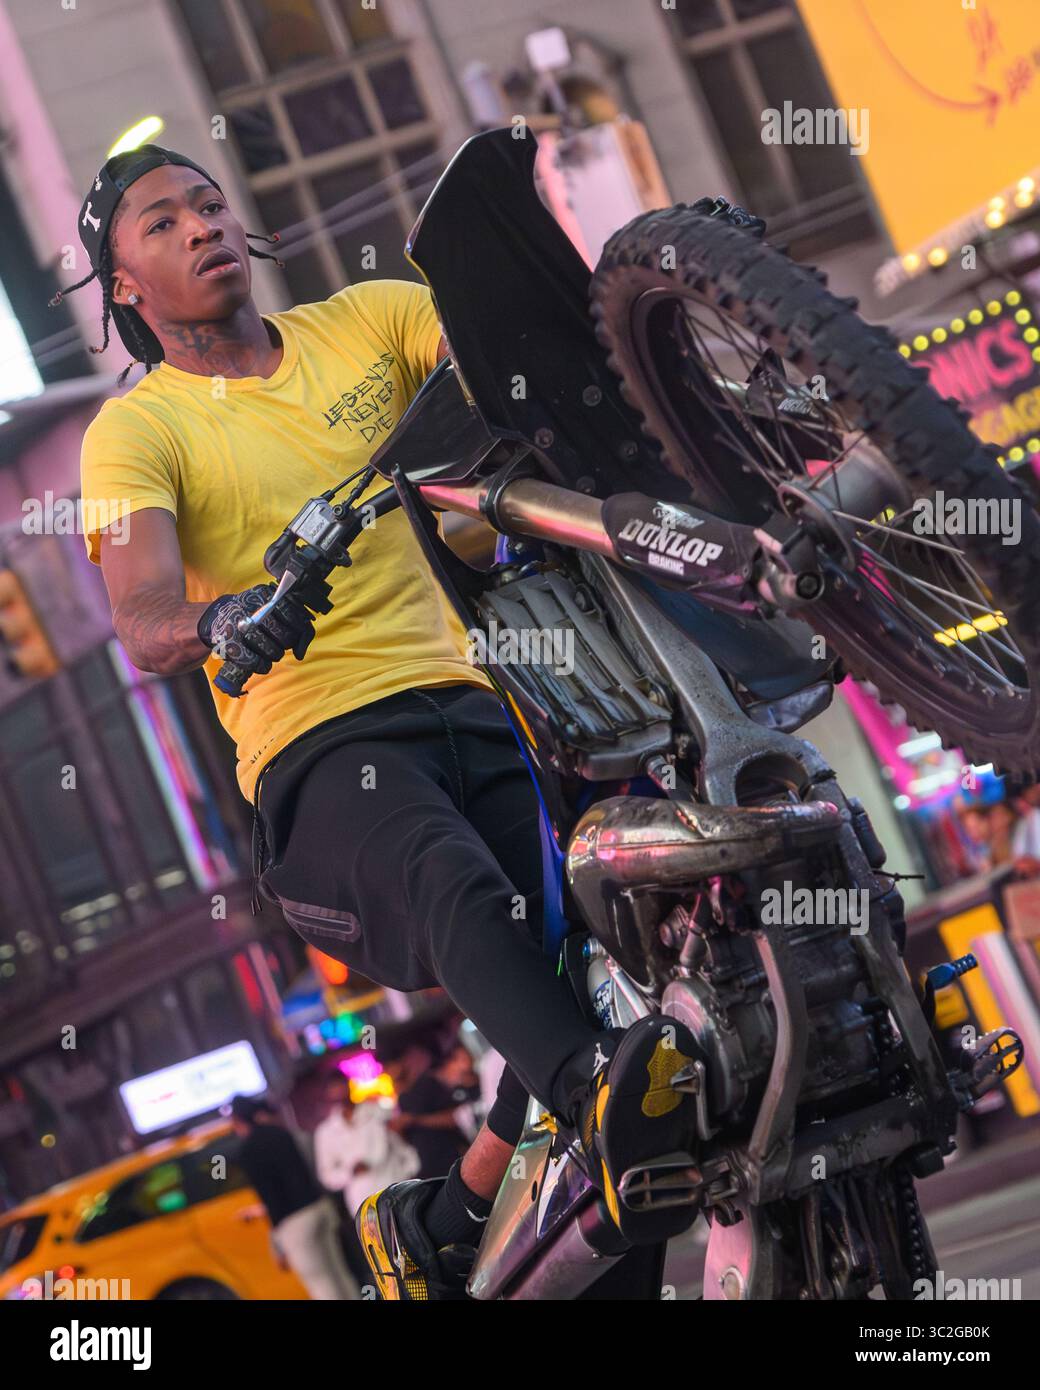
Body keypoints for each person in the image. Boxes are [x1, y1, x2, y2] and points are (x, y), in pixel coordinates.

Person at [71, 143, 700, 1300]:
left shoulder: (366, 320)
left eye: (209, 204)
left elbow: (511, 356)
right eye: (162, 224)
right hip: (328, 753)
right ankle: (607, 1099)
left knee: (587, 969)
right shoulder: (137, 433)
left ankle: (455, 1217)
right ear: (125, 288)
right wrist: (225, 622)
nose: (202, 225)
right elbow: (146, 615)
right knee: (462, 894)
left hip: (485, 704)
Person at [228, 1096, 359, 1300]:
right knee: (340, 1273)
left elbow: (271, 1198)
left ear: (237, 1121)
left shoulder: (247, 1151)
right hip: (320, 1208)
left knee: (320, 1282)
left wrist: (277, 1243)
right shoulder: (281, 1132)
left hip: (295, 1223)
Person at [313, 1073, 419, 1216]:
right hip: (364, 1204)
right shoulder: (325, 1133)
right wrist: (350, 1171)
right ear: (327, 1094)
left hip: (397, 1187)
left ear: (348, 1084)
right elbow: (327, 1175)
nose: (338, 1091)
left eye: (340, 1085)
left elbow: (402, 1145)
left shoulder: (377, 1111)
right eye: (333, 1088)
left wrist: (411, 1172)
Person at [381, 1037, 473, 1180]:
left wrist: (416, 1120)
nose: (389, 1072)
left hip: (454, 1158)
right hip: (429, 1169)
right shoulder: (400, 1099)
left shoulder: (428, 1084)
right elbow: (410, 1142)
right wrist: (398, 1129)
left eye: (390, 1066)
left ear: (401, 1062)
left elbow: (456, 1118)